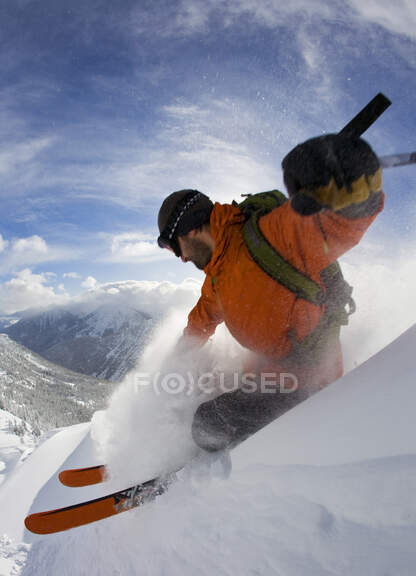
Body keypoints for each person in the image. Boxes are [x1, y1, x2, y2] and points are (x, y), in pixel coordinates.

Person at [157, 133, 384, 454]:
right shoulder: (217, 276)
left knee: (206, 423)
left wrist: (355, 178)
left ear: (190, 229)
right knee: (204, 393)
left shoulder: (272, 234)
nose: (179, 257)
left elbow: (342, 222)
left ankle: (236, 461)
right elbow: (200, 322)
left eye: (172, 246)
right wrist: (174, 363)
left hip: (307, 383)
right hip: (267, 376)